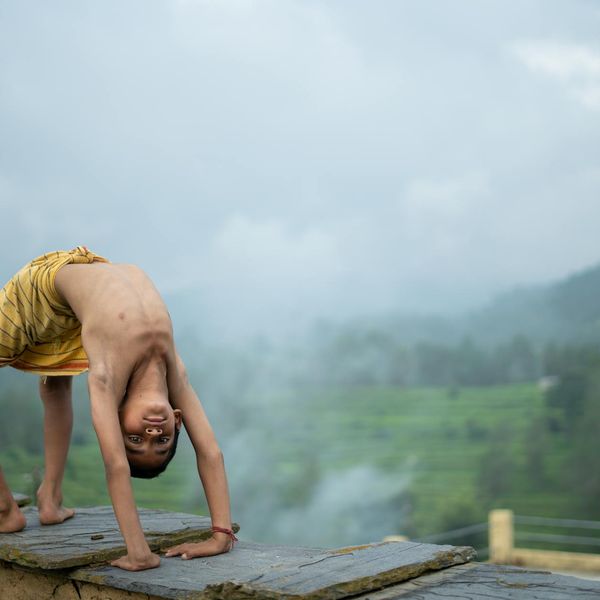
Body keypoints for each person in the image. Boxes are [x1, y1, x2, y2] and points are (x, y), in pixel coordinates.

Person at [0, 247, 236, 571]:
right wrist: (221, 534)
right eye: (162, 441)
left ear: (116, 416)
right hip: (72, 275)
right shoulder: (175, 374)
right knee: (55, 381)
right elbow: (210, 452)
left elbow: (115, 465)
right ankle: (46, 498)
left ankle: (14, 508)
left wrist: (138, 552)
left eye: (136, 440)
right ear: (177, 421)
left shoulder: (105, 379)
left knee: (55, 383)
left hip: (41, 292)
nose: (152, 433)